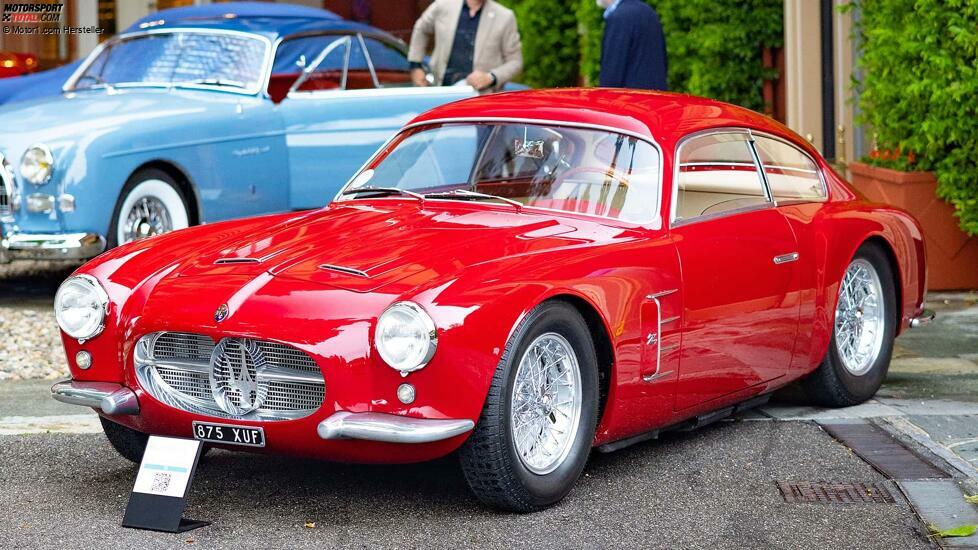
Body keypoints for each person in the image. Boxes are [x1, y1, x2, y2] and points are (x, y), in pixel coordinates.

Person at [408, 0, 523, 92]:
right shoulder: (443, 5)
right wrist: (415, 66)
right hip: (441, 91)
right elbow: (421, 28)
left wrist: (491, 77)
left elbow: (515, 61)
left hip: (480, 98)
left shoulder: (505, 17)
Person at [597, 0, 668, 90]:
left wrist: (605, 97)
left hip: (630, 98)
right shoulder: (648, 11)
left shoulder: (619, 16)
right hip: (656, 96)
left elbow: (612, 70)